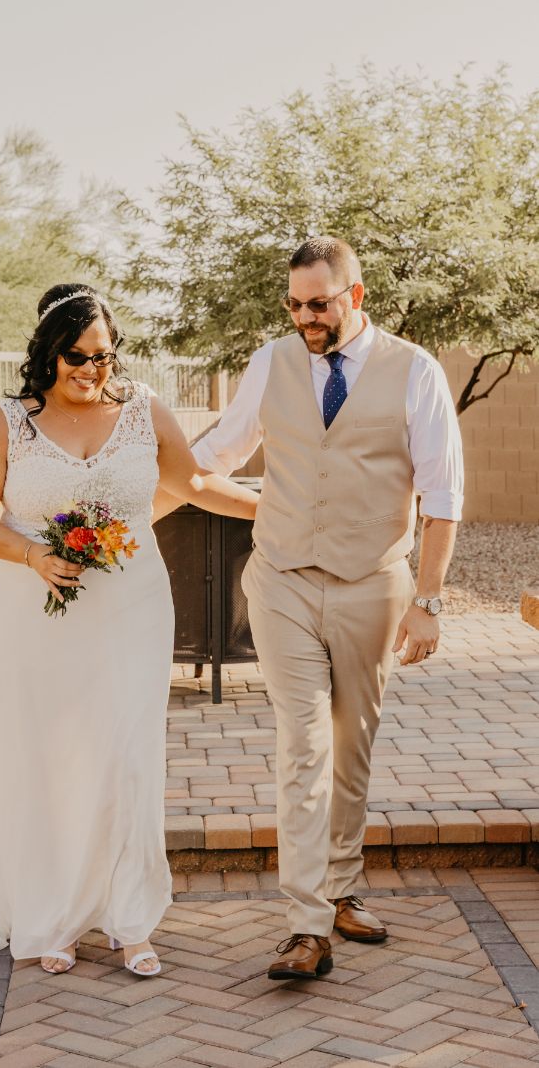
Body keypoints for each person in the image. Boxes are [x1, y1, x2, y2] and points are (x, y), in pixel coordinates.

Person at [0, 284, 258, 975]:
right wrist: (32, 553)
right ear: (48, 353)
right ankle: (57, 915)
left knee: (125, 756)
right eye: (77, 356)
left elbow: (195, 485)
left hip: (131, 607)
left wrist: (279, 512)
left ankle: (129, 918)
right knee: (52, 755)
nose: (92, 369)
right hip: (35, 613)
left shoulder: (143, 409)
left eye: (104, 356)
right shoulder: (7, 424)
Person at [188, 236, 463, 980]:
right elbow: (215, 454)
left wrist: (427, 602)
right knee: (303, 743)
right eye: (294, 305)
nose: (305, 318)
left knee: (351, 743)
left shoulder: (415, 370)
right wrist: (136, 473)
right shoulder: (270, 362)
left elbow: (441, 496)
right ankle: (307, 925)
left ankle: (341, 887)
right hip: (280, 578)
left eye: (319, 304)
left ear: (354, 295)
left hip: (372, 582)